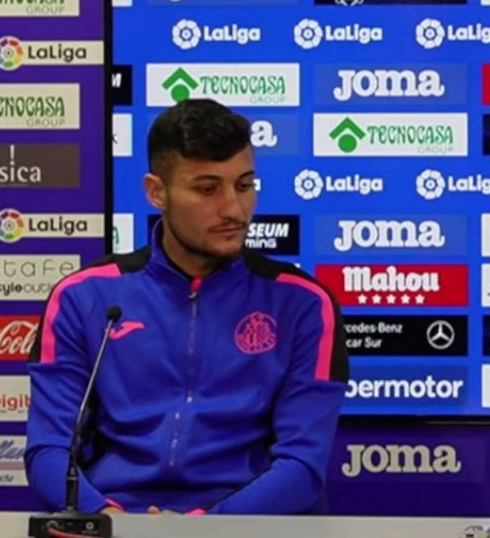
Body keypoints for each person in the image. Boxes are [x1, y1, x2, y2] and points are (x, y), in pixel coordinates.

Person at [26, 99, 347, 515]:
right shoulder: (83, 297)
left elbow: (302, 467)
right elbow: (49, 452)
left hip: (245, 526)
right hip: (115, 520)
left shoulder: (302, 303)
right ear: (156, 192)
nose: (233, 209)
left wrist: (202, 528)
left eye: (244, 185)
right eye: (207, 189)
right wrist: (110, 520)